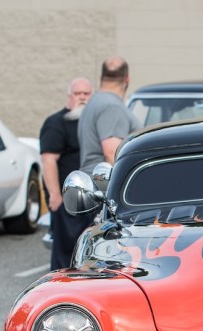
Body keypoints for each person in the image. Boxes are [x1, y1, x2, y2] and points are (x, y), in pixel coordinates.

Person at [40, 77, 93, 270]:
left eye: (86, 94)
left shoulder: (90, 123)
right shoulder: (56, 123)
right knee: (65, 250)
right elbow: (48, 160)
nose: (82, 98)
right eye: (78, 94)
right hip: (67, 199)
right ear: (69, 97)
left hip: (90, 199)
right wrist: (54, 195)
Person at [78, 56, 142, 175]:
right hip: (104, 186)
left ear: (101, 78)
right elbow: (112, 153)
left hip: (93, 182)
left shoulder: (94, 101)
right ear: (127, 79)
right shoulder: (112, 107)